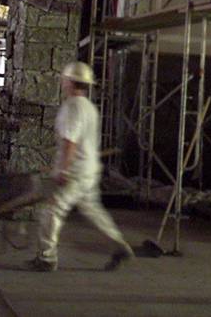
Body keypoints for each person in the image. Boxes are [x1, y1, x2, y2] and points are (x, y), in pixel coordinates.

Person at [27, 61, 134, 272]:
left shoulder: (72, 107)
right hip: (89, 170)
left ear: (69, 82)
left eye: (64, 80)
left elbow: (70, 142)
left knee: (52, 210)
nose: (62, 83)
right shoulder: (89, 107)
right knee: (93, 210)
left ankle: (46, 258)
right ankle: (119, 244)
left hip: (75, 172)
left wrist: (63, 170)